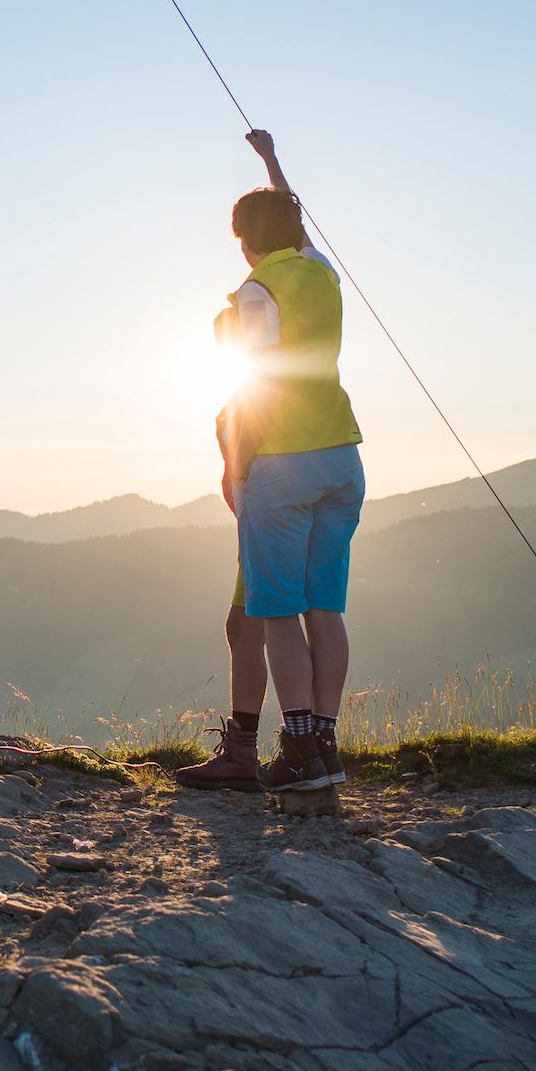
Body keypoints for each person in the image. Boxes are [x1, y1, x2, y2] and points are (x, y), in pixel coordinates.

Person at [177, 130, 364, 794]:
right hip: (340, 455)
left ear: (240, 238)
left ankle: (300, 752)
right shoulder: (316, 269)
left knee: (275, 612)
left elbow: (253, 383)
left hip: (280, 461)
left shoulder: (256, 292)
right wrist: (269, 161)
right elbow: (294, 215)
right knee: (321, 608)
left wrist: (235, 466)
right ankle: (322, 746)